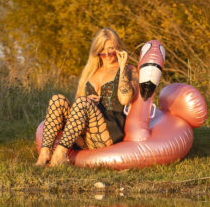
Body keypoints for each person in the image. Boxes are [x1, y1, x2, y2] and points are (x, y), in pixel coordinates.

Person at [35, 28, 139, 166]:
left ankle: (60, 154)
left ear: (118, 47)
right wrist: (88, 102)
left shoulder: (129, 70)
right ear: (96, 51)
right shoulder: (91, 71)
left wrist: (122, 66)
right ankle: (44, 154)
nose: (107, 54)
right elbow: (78, 104)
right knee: (57, 99)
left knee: (83, 102)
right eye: (102, 50)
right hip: (85, 133)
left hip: (108, 131)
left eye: (111, 49)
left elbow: (125, 99)